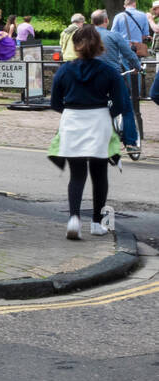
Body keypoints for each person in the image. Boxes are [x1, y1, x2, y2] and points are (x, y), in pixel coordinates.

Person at [49, 25, 124, 239]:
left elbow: (55, 103)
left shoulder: (64, 70)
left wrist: (72, 111)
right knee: (99, 174)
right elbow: (119, 104)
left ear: (75, 45)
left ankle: (74, 218)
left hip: (72, 120)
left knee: (77, 174)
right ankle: (97, 223)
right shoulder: (109, 71)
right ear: (98, 45)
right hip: (99, 120)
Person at [90, 9, 140, 156]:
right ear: (106, 21)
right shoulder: (114, 36)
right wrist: (138, 67)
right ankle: (131, 143)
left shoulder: (85, 37)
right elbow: (129, 54)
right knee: (126, 109)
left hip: (91, 78)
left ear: (92, 21)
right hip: (112, 77)